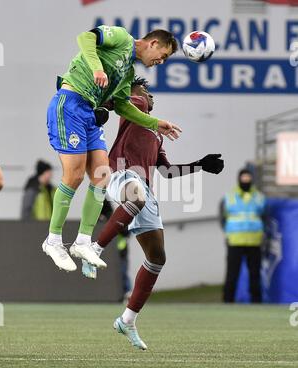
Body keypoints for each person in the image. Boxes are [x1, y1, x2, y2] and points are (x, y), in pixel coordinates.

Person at [82, 77, 224, 350]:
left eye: (147, 91)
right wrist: (102, 104)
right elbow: (114, 102)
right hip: (120, 176)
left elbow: (167, 172)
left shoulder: (156, 133)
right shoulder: (132, 108)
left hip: (144, 190)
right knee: (136, 194)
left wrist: (199, 165)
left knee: (157, 258)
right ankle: (94, 248)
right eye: (143, 89)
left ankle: (127, 319)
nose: (147, 94)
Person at [42, 25, 182, 273]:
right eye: (163, 55)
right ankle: (53, 240)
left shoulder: (127, 73)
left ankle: (83, 241)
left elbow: (123, 107)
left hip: (89, 114)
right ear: (153, 43)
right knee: (73, 176)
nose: (161, 61)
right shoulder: (122, 38)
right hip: (70, 104)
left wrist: (155, 123)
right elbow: (84, 37)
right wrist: (97, 67)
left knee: (102, 176)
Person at [220, 168, 266, 304]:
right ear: (239, 179)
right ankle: (228, 301)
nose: (246, 180)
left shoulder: (259, 197)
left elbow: (263, 216)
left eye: (248, 178)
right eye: (243, 178)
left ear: (252, 179)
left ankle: (256, 302)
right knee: (232, 274)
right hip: (235, 240)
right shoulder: (229, 197)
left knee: (255, 274)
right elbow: (222, 218)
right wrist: (228, 232)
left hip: (254, 241)